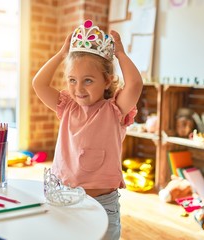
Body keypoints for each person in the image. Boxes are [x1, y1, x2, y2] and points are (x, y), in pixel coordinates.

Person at [32, 20, 143, 239]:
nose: (78, 88)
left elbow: (136, 85)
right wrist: (62, 54)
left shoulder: (115, 109)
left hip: (103, 204)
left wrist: (120, 54)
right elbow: (39, 84)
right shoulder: (67, 106)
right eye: (72, 80)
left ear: (107, 81)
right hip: (63, 198)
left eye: (88, 81)